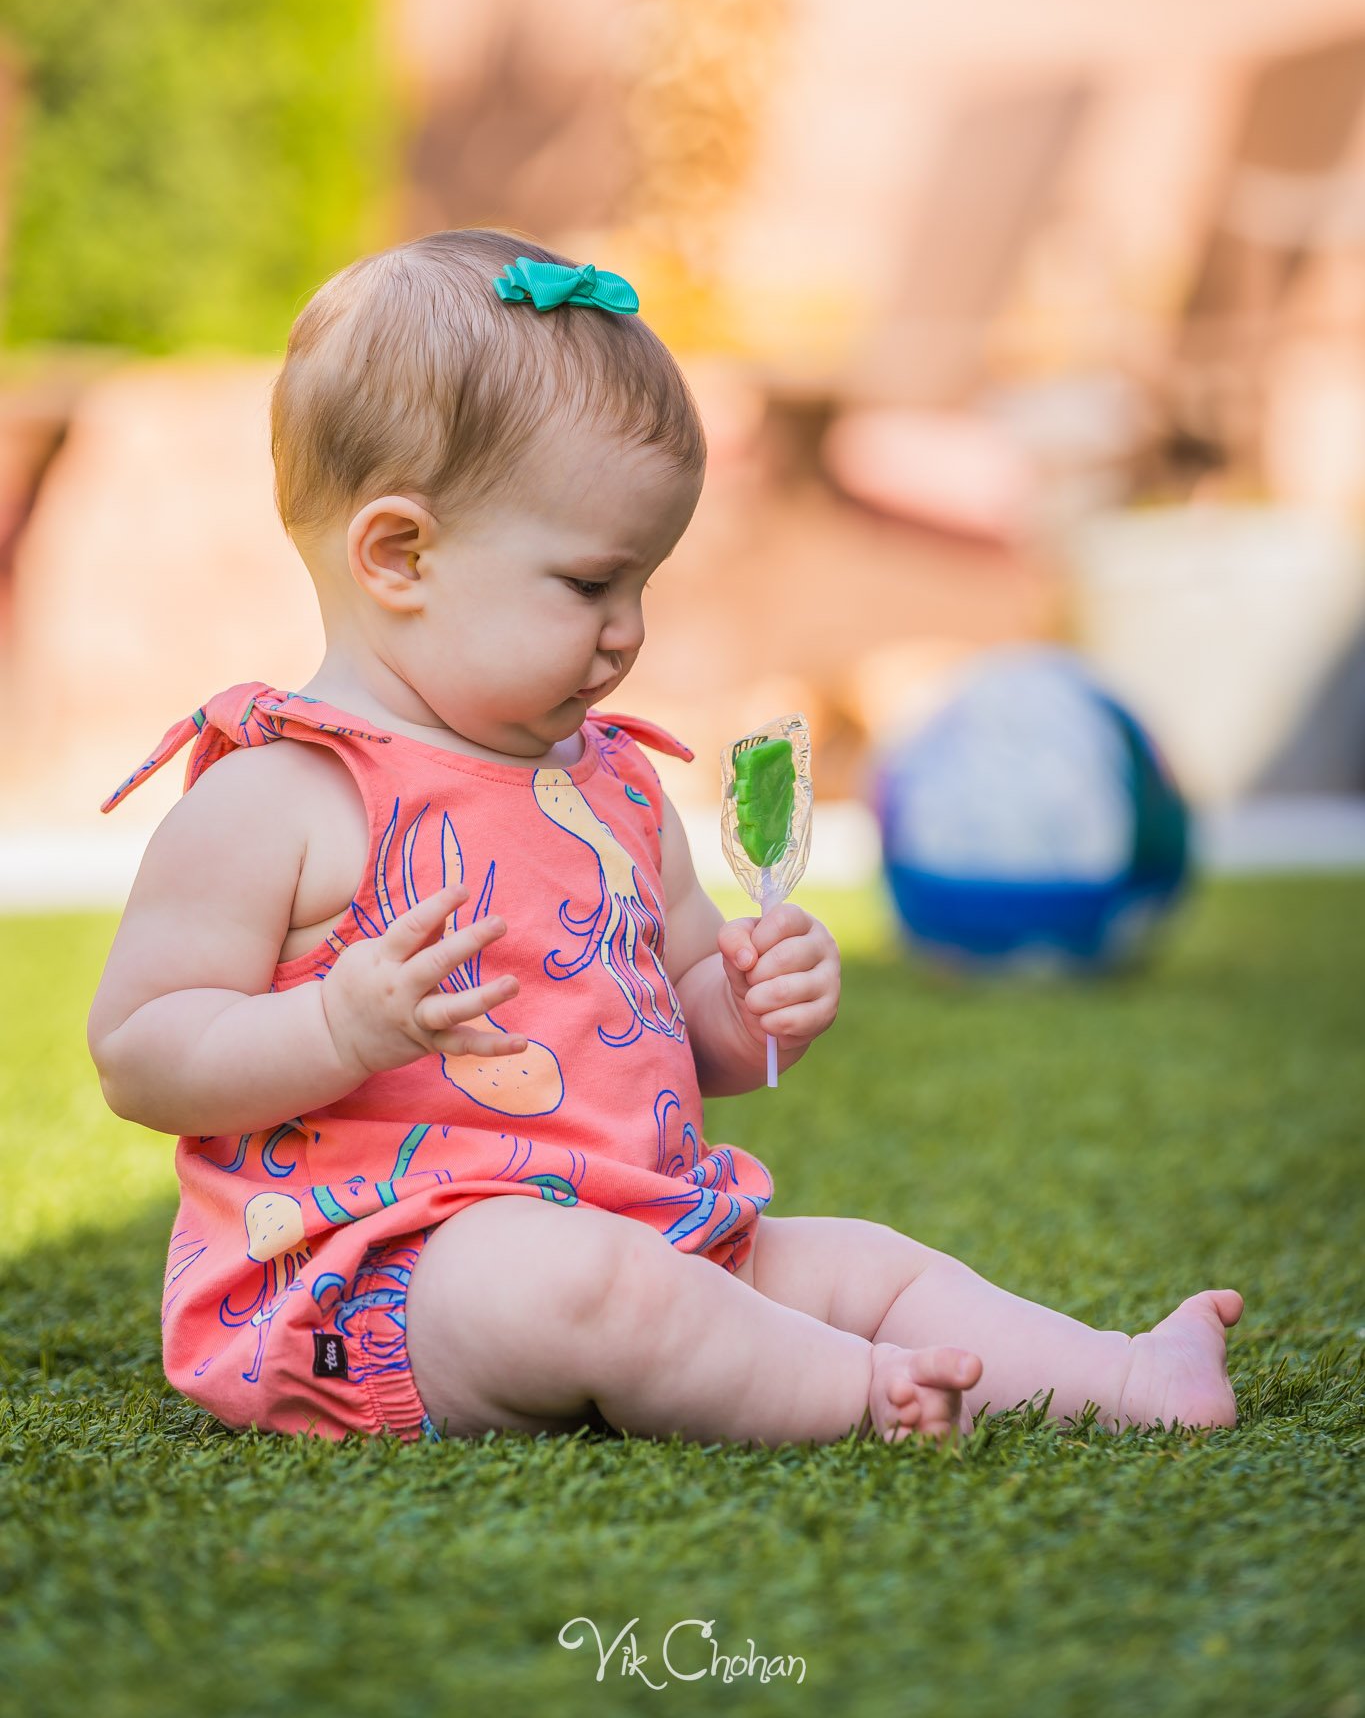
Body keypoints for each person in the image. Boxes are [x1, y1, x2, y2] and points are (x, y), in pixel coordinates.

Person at [88, 228, 1244, 1449]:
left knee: (867, 1266)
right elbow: (141, 1051)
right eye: (591, 584)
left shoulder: (613, 785)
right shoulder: (279, 792)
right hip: (382, 1278)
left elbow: (684, 1019)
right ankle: (861, 1399)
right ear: (400, 553)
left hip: (649, 1223)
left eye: (646, 582)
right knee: (610, 1289)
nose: (629, 630)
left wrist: (751, 1005)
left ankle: (1131, 1377)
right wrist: (334, 1027)